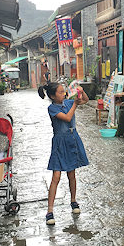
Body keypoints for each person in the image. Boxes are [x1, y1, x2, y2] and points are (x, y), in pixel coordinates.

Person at [38, 82, 89, 225]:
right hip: (60, 143)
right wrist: (75, 104)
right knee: (56, 176)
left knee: (71, 174)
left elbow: (85, 100)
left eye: (64, 91)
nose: (64, 94)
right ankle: (50, 211)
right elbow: (67, 118)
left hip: (72, 140)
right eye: (60, 92)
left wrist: (82, 92)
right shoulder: (52, 108)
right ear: (53, 96)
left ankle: (73, 201)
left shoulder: (67, 102)